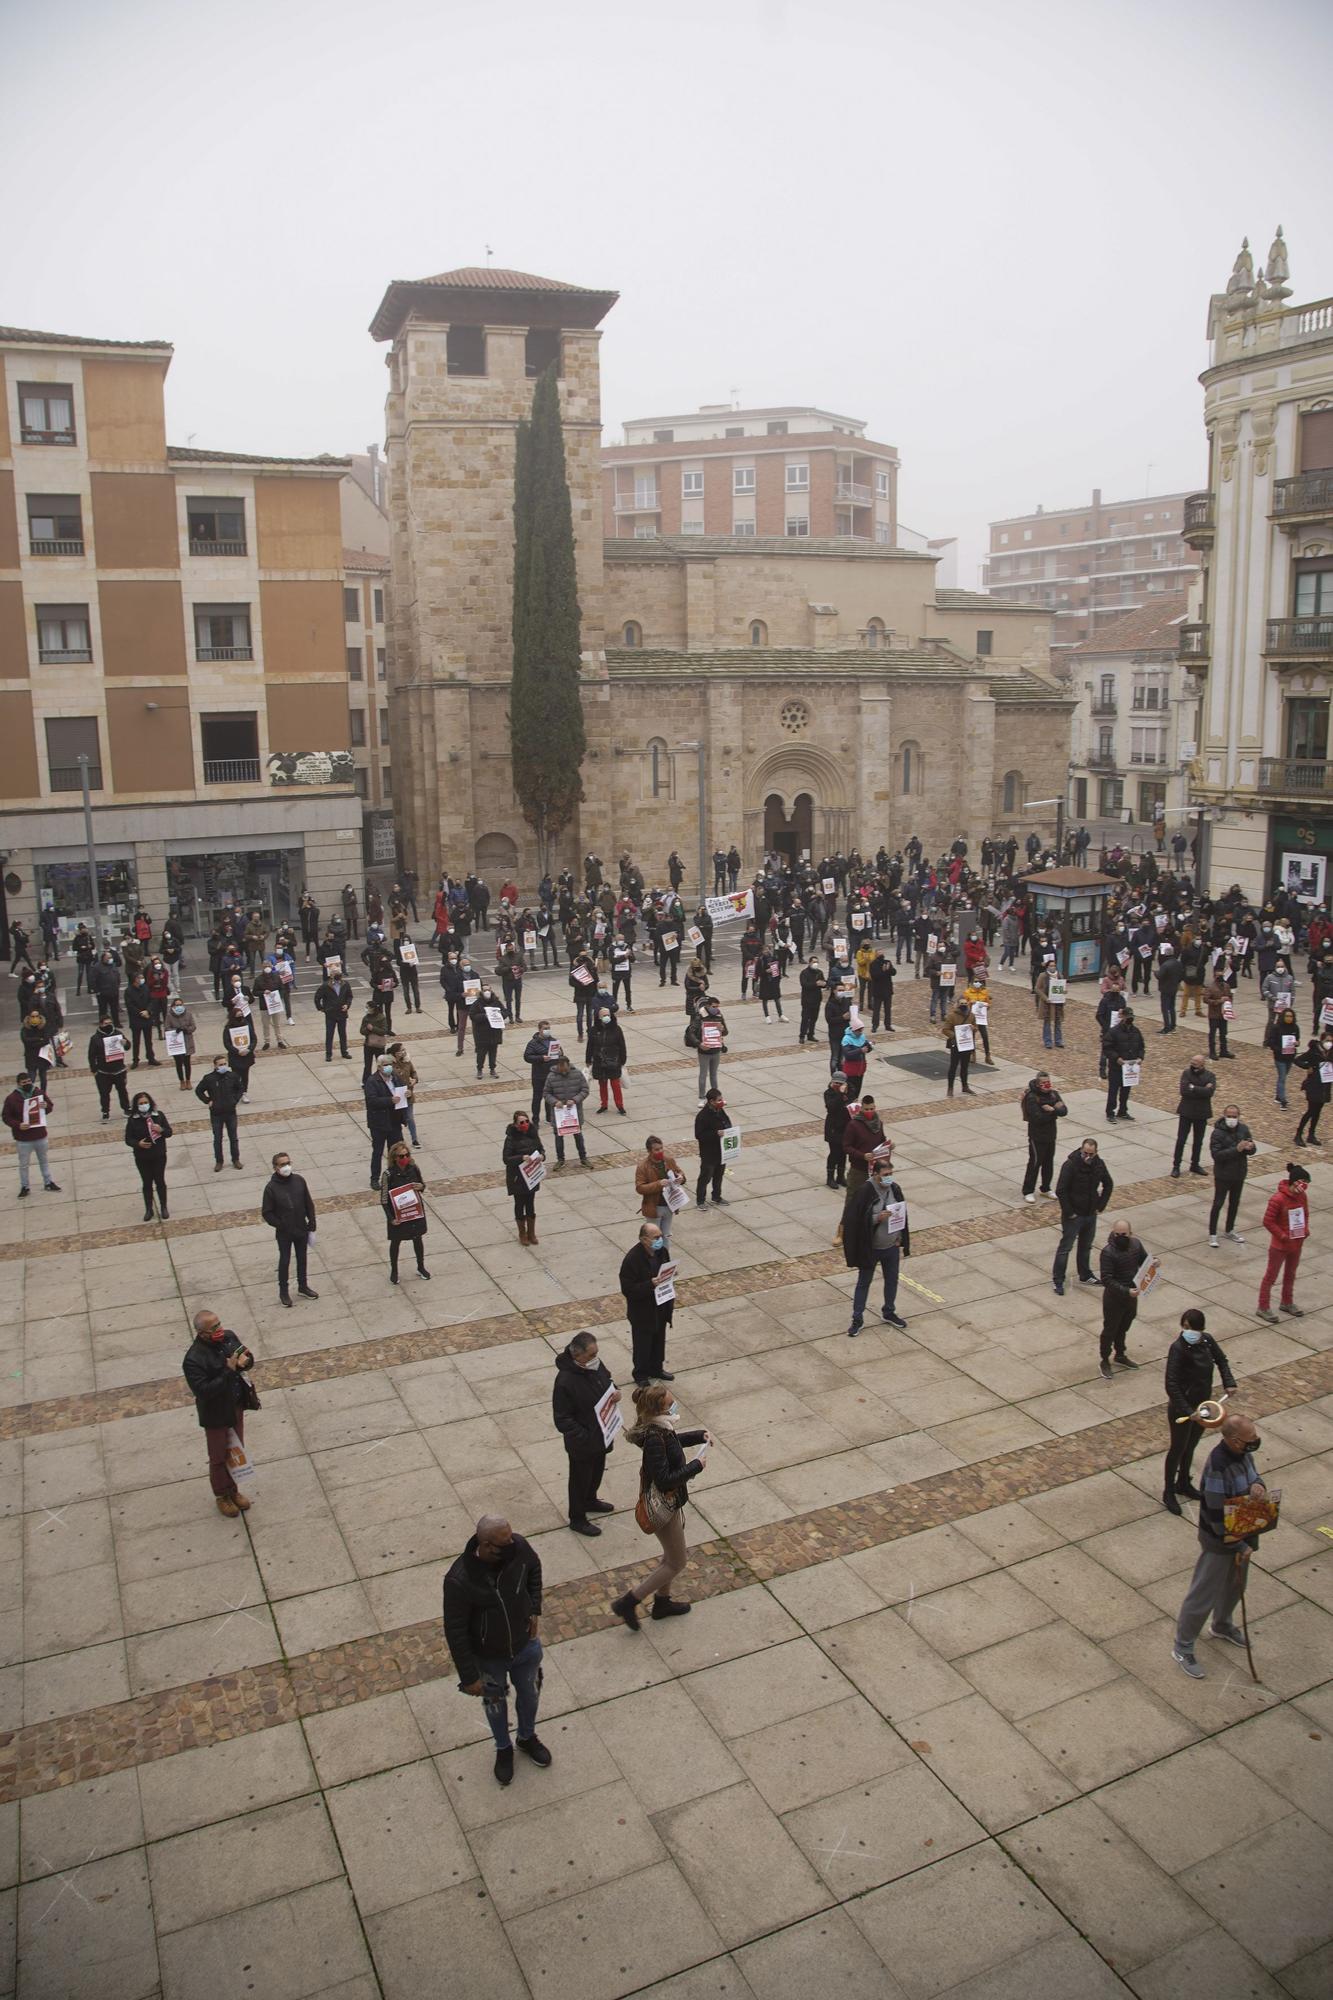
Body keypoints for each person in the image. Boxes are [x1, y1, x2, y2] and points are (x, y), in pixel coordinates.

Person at [443, 1515, 548, 1786]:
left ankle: (526, 1737)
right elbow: (456, 1632)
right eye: (505, 1542)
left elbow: (534, 1569)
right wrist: (469, 1677)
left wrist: (534, 1608)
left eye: (512, 1537)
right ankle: (503, 1748)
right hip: (490, 1659)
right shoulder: (460, 1580)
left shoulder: (519, 1549)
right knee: (495, 1704)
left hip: (526, 1648)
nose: (512, 1544)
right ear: (487, 1546)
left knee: (530, 1693)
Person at [1171, 1413, 1268, 1679]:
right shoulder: (1218, 1466)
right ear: (1234, 1441)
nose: (1255, 1443)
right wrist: (1238, 1547)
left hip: (1243, 1533)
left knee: (1236, 1586)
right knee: (1203, 1594)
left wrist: (1258, 1485)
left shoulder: (1243, 1455)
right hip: (1220, 1543)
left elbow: (1254, 1476)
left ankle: (1222, 1625)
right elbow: (1215, 1516)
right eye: (1251, 1439)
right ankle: (1183, 1645)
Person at [610, 1384, 711, 1629]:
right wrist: (696, 1465)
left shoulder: (660, 1428)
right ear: (660, 1408)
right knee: (677, 1562)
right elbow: (664, 1479)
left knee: (670, 1556)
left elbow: (674, 1443)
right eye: (670, 1402)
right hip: (663, 1507)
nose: (674, 1404)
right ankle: (629, 1601)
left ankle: (663, 1601)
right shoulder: (655, 1436)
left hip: (672, 1502)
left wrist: (699, 1436)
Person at [182, 1308, 255, 1518]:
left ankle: (234, 1490)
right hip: (215, 1413)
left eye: (219, 1324)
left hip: (235, 1405)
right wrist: (228, 1370)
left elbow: (248, 1357)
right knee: (218, 1455)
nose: (219, 1330)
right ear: (202, 1333)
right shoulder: (194, 1359)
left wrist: (245, 1362)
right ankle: (221, 1494)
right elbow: (204, 1391)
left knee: (235, 1449)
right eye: (214, 1327)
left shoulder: (229, 1338)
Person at [1163, 1310, 1237, 1514]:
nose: (1189, 1331)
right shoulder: (1178, 1348)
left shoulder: (1207, 1341)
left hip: (1202, 1404)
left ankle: (1184, 1482)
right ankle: (1169, 1490)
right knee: (1177, 1448)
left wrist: (1229, 1382)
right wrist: (1187, 1410)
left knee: (1191, 1445)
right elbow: (1171, 1384)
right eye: (1185, 1327)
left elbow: (1222, 1361)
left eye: (1192, 1328)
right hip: (1183, 1408)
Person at [552, 1332, 618, 1537]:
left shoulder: (594, 1365)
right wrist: (584, 1436)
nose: (595, 1359)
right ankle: (577, 1518)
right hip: (583, 1441)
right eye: (590, 1355)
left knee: (597, 1470)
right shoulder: (565, 1381)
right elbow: (562, 1419)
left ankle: (591, 1500)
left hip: (601, 1433)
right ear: (577, 1356)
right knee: (580, 1479)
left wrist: (615, 1391)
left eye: (596, 1353)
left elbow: (607, 1380)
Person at [842, 1151, 910, 1337]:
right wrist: (876, 1218)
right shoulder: (865, 1191)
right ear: (875, 1174)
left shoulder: (894, 1189)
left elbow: (902, 1212)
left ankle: (889, 1311)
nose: (889, 1178)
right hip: (870, 1248)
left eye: (891, 1174)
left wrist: (900, 1238)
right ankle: (857, 1319)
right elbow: (853, 1219)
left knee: (892, 1280)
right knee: (864, 1282)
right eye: (885, 1175)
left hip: (891, 1246)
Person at [1052, 1138, 1113, 1294]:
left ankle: (1085, 1274)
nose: (1088, 1157)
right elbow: (1061, 1190)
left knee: (1086, 1246)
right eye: (1085, 1153)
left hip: (1090, 1213)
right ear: (1081, 1150)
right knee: (1065, 1248)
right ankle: (1058, 1280)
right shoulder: (1070, 1165)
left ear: (1096, 1152)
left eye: (1091, 1154)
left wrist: (1100, 1205)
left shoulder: (1098, 1164)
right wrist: (1069, 1212)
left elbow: (1108, 1183)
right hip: (1074, 1215)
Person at [619, 1220, 674, 1385]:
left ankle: (656, 1368)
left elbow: (665, 1270)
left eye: (660, 1236)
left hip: (660, 1306)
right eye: (655, 1237)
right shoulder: (632, 1259)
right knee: (643, 1345)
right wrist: (650, 1284)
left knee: (658, 1340)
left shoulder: (662, 1252)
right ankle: (641, 1375)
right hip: (642, 1312)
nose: (660, 1239)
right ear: (644, 1239)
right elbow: (628, 1289)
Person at [261, 1151, 319, 1306]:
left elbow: (308, 1203)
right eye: (282, 1164)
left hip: (301, 1228)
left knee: (302, 1258)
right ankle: (284, 1292)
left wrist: (312, 1222)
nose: (286, 1167)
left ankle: (303, 1285)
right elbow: (267, 1213)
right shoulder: (271, 1188)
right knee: (285, 1261)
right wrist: (281, 1224)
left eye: (288, 1163)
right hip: (285, 1233)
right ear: (275, 1167)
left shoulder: (299, 1180)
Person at [1255, 1162, 1311, 1322]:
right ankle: (1263, 1307)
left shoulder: (1302, 1196)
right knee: (1271, 1277)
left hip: (1297, 1243)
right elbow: (1268, 1221)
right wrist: (1282, 1236)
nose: (1305, 1186)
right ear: (1295, 1181)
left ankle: (1287, 1302)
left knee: (1290, 1274)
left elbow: (1305, 1214)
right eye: (1303, 1182)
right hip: (1280, 1246)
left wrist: (1305, 1229)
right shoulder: (1278, 1199)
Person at [1098, 1215, 1146, 1377]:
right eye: (1117, 1234)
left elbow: (1145, 1261)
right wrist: (1126, 1291)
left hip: (1131, 1296)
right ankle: (1104, 1359)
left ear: (1130, 1233)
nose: (1120, 1237)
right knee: (1110, 1329)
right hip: (1114, 1298)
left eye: (1124, 1234)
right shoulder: (1108, 1252)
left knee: (1124, 1325)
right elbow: (1107, 1279)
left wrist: (1155, 1262)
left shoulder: (1136, 1245)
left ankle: (1120, 1354)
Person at [381, 1137, 431, 1282]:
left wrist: (420, 1187)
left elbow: (422, 1184)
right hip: (398, 1214)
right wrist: (391, 1218)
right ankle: (394, 1271)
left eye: (407, 1155)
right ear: (395, 1158)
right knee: (396, 1242)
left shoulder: (414, 1168)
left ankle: (421, 1266)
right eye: (402, 1156)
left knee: (418, 1239)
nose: (405, 1158)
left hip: (414, 1211)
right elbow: (384, 1199)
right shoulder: (388, 1175)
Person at [3, 1072, 60, 1197]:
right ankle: (25, 1186)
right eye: (24, 1082)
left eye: (29, 1081)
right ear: (18, 1084)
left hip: (40, 1135)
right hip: (23, 1139)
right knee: (24, 1164)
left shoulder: (38, 1093)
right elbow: (6, 1117)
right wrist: (18, 1125)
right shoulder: (12, 1099)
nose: (27, 1084)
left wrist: (46, 1106)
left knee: (44, 1160)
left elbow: (50, 1106)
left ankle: (48, 1182)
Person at [1207, 1106, 1255, 1246]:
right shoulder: (1217, 1133)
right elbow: (1217, 1155)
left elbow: (1251, 1146)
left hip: (1239, 1174)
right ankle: (1212, 1233)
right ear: (1224, 1115)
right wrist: (1237, 1149)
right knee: (1218, 1203)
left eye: (1234, 1116)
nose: (1232, 1119)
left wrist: (1250, 1148)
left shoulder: (1243, 1129)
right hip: (1223, 1174)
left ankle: (1230, 1229)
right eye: (1229, 1116)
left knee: (1234, 1203)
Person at [125, 1089, 171, 1222]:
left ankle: (163, 1207)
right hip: (142, 1157)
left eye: (146, 1102)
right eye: (141, 1103)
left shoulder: (158, 1116)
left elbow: (169, 1132)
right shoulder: (133, 1120)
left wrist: (161, 1130)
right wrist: (138, 1143)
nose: (144, 1105)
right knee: (146, 1182)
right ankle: (149, 1209)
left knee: (160, 1181)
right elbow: (128, 1139)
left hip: (158, 1155)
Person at [1021, 1072, 1067, 1201]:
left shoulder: (1054, 1094)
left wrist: (1051, 1110)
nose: (1047, 1085)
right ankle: (1028, 1190)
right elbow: (1037, 1118)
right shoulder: (1032, 1097)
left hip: (1051, 1134)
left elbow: (1064, 1111)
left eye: (1048, 1082)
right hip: (1037, 1136)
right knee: (1035, 1163)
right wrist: (1054, 1112)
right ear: (1038, 1084)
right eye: (1043, 1083)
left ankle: (1046, 1188)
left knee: (1048, 1163)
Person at [195, 1054, 244, 1173]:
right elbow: (199, 1090)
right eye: (220, 1065)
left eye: (224, 1064)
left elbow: (240, 1088)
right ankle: (219, 1161)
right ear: (215, 1066)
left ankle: (235, 1159)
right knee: (217, 1138)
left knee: (233, 1137)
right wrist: (207, 1101)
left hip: (230, 1112)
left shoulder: (232, 1076)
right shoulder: (209, 1078)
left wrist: (235, 1100)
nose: (223, 1066)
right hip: (216, 1113)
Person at [503, 1109, 545, 1246]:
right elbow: (506, 1158)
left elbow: (541, 1149)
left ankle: (531, 1233)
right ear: (516, 1124)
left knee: (530, 1204)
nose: (525, 1124)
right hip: (517, 1177)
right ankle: (522, 1233)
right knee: (519, 1204)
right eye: (522, 1122)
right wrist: (521, 1158)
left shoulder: (533, 1133)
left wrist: (541, 1156)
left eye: (527, 1121)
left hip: (531, 1175)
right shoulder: (511, 1138)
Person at [636, 1134, 683, 1251]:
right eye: (656, 1150)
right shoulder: (643, 1166)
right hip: (654, 1208)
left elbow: (679, 1172)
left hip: (669, 1205)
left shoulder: (668, 1160)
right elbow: (640, 1188)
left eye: (661, 1148)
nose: (660, 1151)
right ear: (649, 1151)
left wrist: (680, 1177)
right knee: (654, 1239)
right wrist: (658, 1184)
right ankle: (653, 1263)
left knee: (666, 1236)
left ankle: (665, 1262)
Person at [1171, 1056, 1217, 1178]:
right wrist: (1202, 1089)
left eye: (1196, 1062)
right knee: (1181, 1140)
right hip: (1186, 1111)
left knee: (1198, 1141)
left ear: (1202, 1064)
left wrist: (1193, 1088)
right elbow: (1184, 1091)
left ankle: (1195, 1164)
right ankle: (1176, 1166)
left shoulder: (1210, 1075)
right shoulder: (1186, 1073)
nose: (1193, 1064)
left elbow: (1210, 1092)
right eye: (1192, 1062)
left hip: (1201, 1113)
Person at [364, 1053, 404, 1189]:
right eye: (386, 1065)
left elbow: (402, 1090)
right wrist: (389, 1100)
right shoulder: (372, 1081)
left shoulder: (395, 1078)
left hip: (394, 1121)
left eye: (391, 1065)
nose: (389, 1068)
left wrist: (407, 1094)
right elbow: (372, 1101)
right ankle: (374, 1178)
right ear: (380, 1067)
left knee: (396, 1151)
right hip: (379, 1123)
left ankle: (396, 1176)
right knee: (378, 1152)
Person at [544, 1054, 590, 1169]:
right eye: (560, 1068)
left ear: (568, 1065)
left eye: (564, 1068)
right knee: (558, 1137)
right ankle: (560, 1159)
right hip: (559, 1114)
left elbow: (585, 1090)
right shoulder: (551, 1076)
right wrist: (555, 1102)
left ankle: (583, 1158)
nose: (562, 1070)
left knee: (578, 1135)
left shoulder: (577, 1074)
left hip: (574, 1113)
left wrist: (575, 1100)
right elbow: (546, 1093)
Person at [1104, 1006, 1145, 1121]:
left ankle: (1122, 1110)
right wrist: (1116, 1058)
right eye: (1128, 1017)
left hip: (1130, 1068)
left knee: (1125, 1091)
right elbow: (1107, 1048)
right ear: (1123, 1017)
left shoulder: (1136, 1031)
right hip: (1116, 1067)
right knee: (1113, 1091)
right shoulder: (1113, 1032)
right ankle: (1110, 1112)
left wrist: (1140, 1057)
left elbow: (1141, 1047)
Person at [586, 1005, 627, 1114]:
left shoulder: (617, 1029)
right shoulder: (594, 1030)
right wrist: (588, 1059)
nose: (606, 1017)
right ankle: (604, 1104)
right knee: (602, 1084)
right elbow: (590, 1045)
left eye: (608, 1015)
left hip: (613, 1060)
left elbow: (622, 1045)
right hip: (599, 1061)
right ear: (599, 1017)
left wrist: (623, 1060)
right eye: (604, 1015)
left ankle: (620, 1105)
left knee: (615, 1084)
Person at [694, 1087, 731, 1208]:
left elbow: (726, 1122)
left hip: (721, 1151)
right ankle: (700, 1200)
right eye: (719, 1100)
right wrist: (716, 1134)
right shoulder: (703, 1116)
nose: (722, 1102)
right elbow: (699, 1135)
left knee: (719, 1175)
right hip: (709, 1153)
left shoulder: (720, 1111)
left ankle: (716, 1196)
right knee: (705, 1177)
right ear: (711, 1101)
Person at [686, 996, 728, 1105]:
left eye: (718, 1006)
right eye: (714, 1006)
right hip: (704, 1050)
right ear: (708, 1006)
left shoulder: (719, 1015)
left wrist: (722, 1029)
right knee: (703, 1075)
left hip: (716, 1049)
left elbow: (725, 1032)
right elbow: (690, 1032)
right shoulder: (700, 1016)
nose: (716, 1009)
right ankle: (701, 1098)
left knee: (714, 1075)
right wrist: (699, 1044)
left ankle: (717, 1098)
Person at [1294, 1034, 1331, 1147]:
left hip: (1325, 1085)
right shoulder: (1314, 1051)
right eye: (1327, 1040)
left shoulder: (1331, 1053)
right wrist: (1308, 1067)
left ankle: (1311, 1134)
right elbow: (1298, 1060)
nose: (1329, 1043)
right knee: (1311, 1110)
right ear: (1322, 1040)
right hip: (1314, 1084)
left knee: (1317, 1111)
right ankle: (1298, 1134)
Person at [1265, 1005, 1302, 1109]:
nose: (1289, 1018)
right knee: (1282, 1078)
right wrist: (1279, 1049)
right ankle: (1283, 1100)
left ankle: (1278, 1096)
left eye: (1291, 1016)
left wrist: (1297, 1043)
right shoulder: (1276, 1028)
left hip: (1290, 1056)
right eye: (1287, 1016)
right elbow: (1271, 1042)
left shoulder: (1295, 1027)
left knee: (1283, 1077)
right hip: (1280, 1057)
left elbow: (1297, 1040)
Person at [316, 966, 355, 1062]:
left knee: (343, 1034)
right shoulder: (325, 986)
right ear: (331, 975)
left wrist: (347, 1005)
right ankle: (328, 1054)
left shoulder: (345, 984)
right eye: (335, 973)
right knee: (329, 1034)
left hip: (342, 1012)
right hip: (331, 1013)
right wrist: (321, 1008)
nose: (338, 976)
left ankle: (344, 1051)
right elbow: (317, 997)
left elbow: (349, 996)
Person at [523, 1020, 558, 1125]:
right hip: (539, 1075)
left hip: (551, 1074)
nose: (547, 1031)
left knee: (550, 1097)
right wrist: (541, 1058)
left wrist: (560, 1053)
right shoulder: (533, 1043)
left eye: (548, 1028)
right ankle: (535, 1119)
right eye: (545, 1029)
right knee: (537, 1098)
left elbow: (559, 1056)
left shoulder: (553, 1041)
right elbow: (527, 1057)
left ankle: (549, 1117)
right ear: (539, 1030)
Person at [943, 995, 976, 1097]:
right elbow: (945, 1029)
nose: (964, 1005)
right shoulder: (951, 1016)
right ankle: (950, 1088)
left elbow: (976, 1027)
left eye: (965, 1003)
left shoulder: (971, 1015)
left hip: (966, 1045)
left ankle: (965, 1086)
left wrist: (973, 1028)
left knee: (965, 1067)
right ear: (958, 1004)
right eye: (961, 1003)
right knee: (953, 1066)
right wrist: (955, 1035)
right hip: (956, 1045)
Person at [223, 1002, 256, 1101]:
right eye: (238, 1016)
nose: (240, 1017)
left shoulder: (246, 1025)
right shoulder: (228, 1028)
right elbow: (226, 1043)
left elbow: (253, 1039)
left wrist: (249, 1049)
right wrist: (237, 1051)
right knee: (235, 1076)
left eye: (241, 1015)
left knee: (245, 1076)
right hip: (235, 1056)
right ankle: (236, 1092)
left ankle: (244, 1092)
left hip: (247, 1055)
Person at [163, 996, 197, 1089]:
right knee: (178, 1063)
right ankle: (181, 1081)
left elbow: (193, 1026)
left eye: (180, 1005)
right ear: (173, 1006)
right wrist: (175, 1030)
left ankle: (188, 1080)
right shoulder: (169, 1016)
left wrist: (187, 1030)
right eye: (177, 1005)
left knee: (187, 1063)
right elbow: (167, 1027)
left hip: (187, 1041)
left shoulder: (188, 1014)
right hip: (176, 1043)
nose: (179, 1006)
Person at [823, 1072, 850, 1190]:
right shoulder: (828, 1093)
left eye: (840, 1083)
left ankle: (840, 1176)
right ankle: (830, 1177)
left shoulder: (849, 1090)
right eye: (836, 1083)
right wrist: (840, 1093)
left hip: (846, 1126)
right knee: (834, 1153)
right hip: (833, 1128)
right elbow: (831, 1107)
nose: (838, 1085)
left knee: (843, 1153)